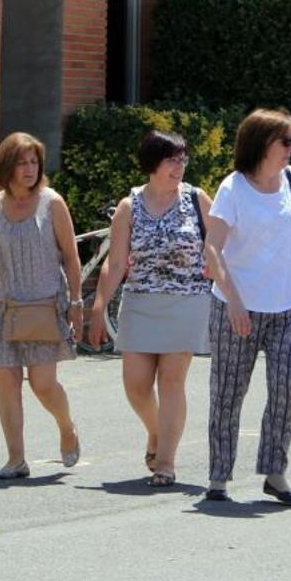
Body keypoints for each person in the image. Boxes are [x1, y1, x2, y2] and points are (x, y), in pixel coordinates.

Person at [202, 109, 291, 505]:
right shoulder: (233, 188)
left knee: (287, 388)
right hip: (236, 308)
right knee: (227, 392)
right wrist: (235, 302)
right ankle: (219, 477)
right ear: (261, 144)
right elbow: (212, 248)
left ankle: (275, 471)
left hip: (289, 305)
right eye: (285, 142)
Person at [86, 131, 212, 488]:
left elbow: (220, 241)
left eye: (183, 159)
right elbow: (116, 261)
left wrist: (220, 271)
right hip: (140, 301)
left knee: (172, 381)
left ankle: (167, 462)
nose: (179, 166)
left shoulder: (196, 199)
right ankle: (157, 432)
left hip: (187, 300)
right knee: (136, 385)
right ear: (152, 164)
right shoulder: (130, 206)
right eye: (171, 159)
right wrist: (98, 306)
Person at [0, 132, 83, 480]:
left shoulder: (52, 203)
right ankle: (16, 459)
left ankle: (66, 426)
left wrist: (75, 300)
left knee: (43, 384)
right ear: (7, 166)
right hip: (3, 306)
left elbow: (72, 258)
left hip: (44, 305)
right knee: (7, 382)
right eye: (22, 162)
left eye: (33, 162)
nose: (29, 169)